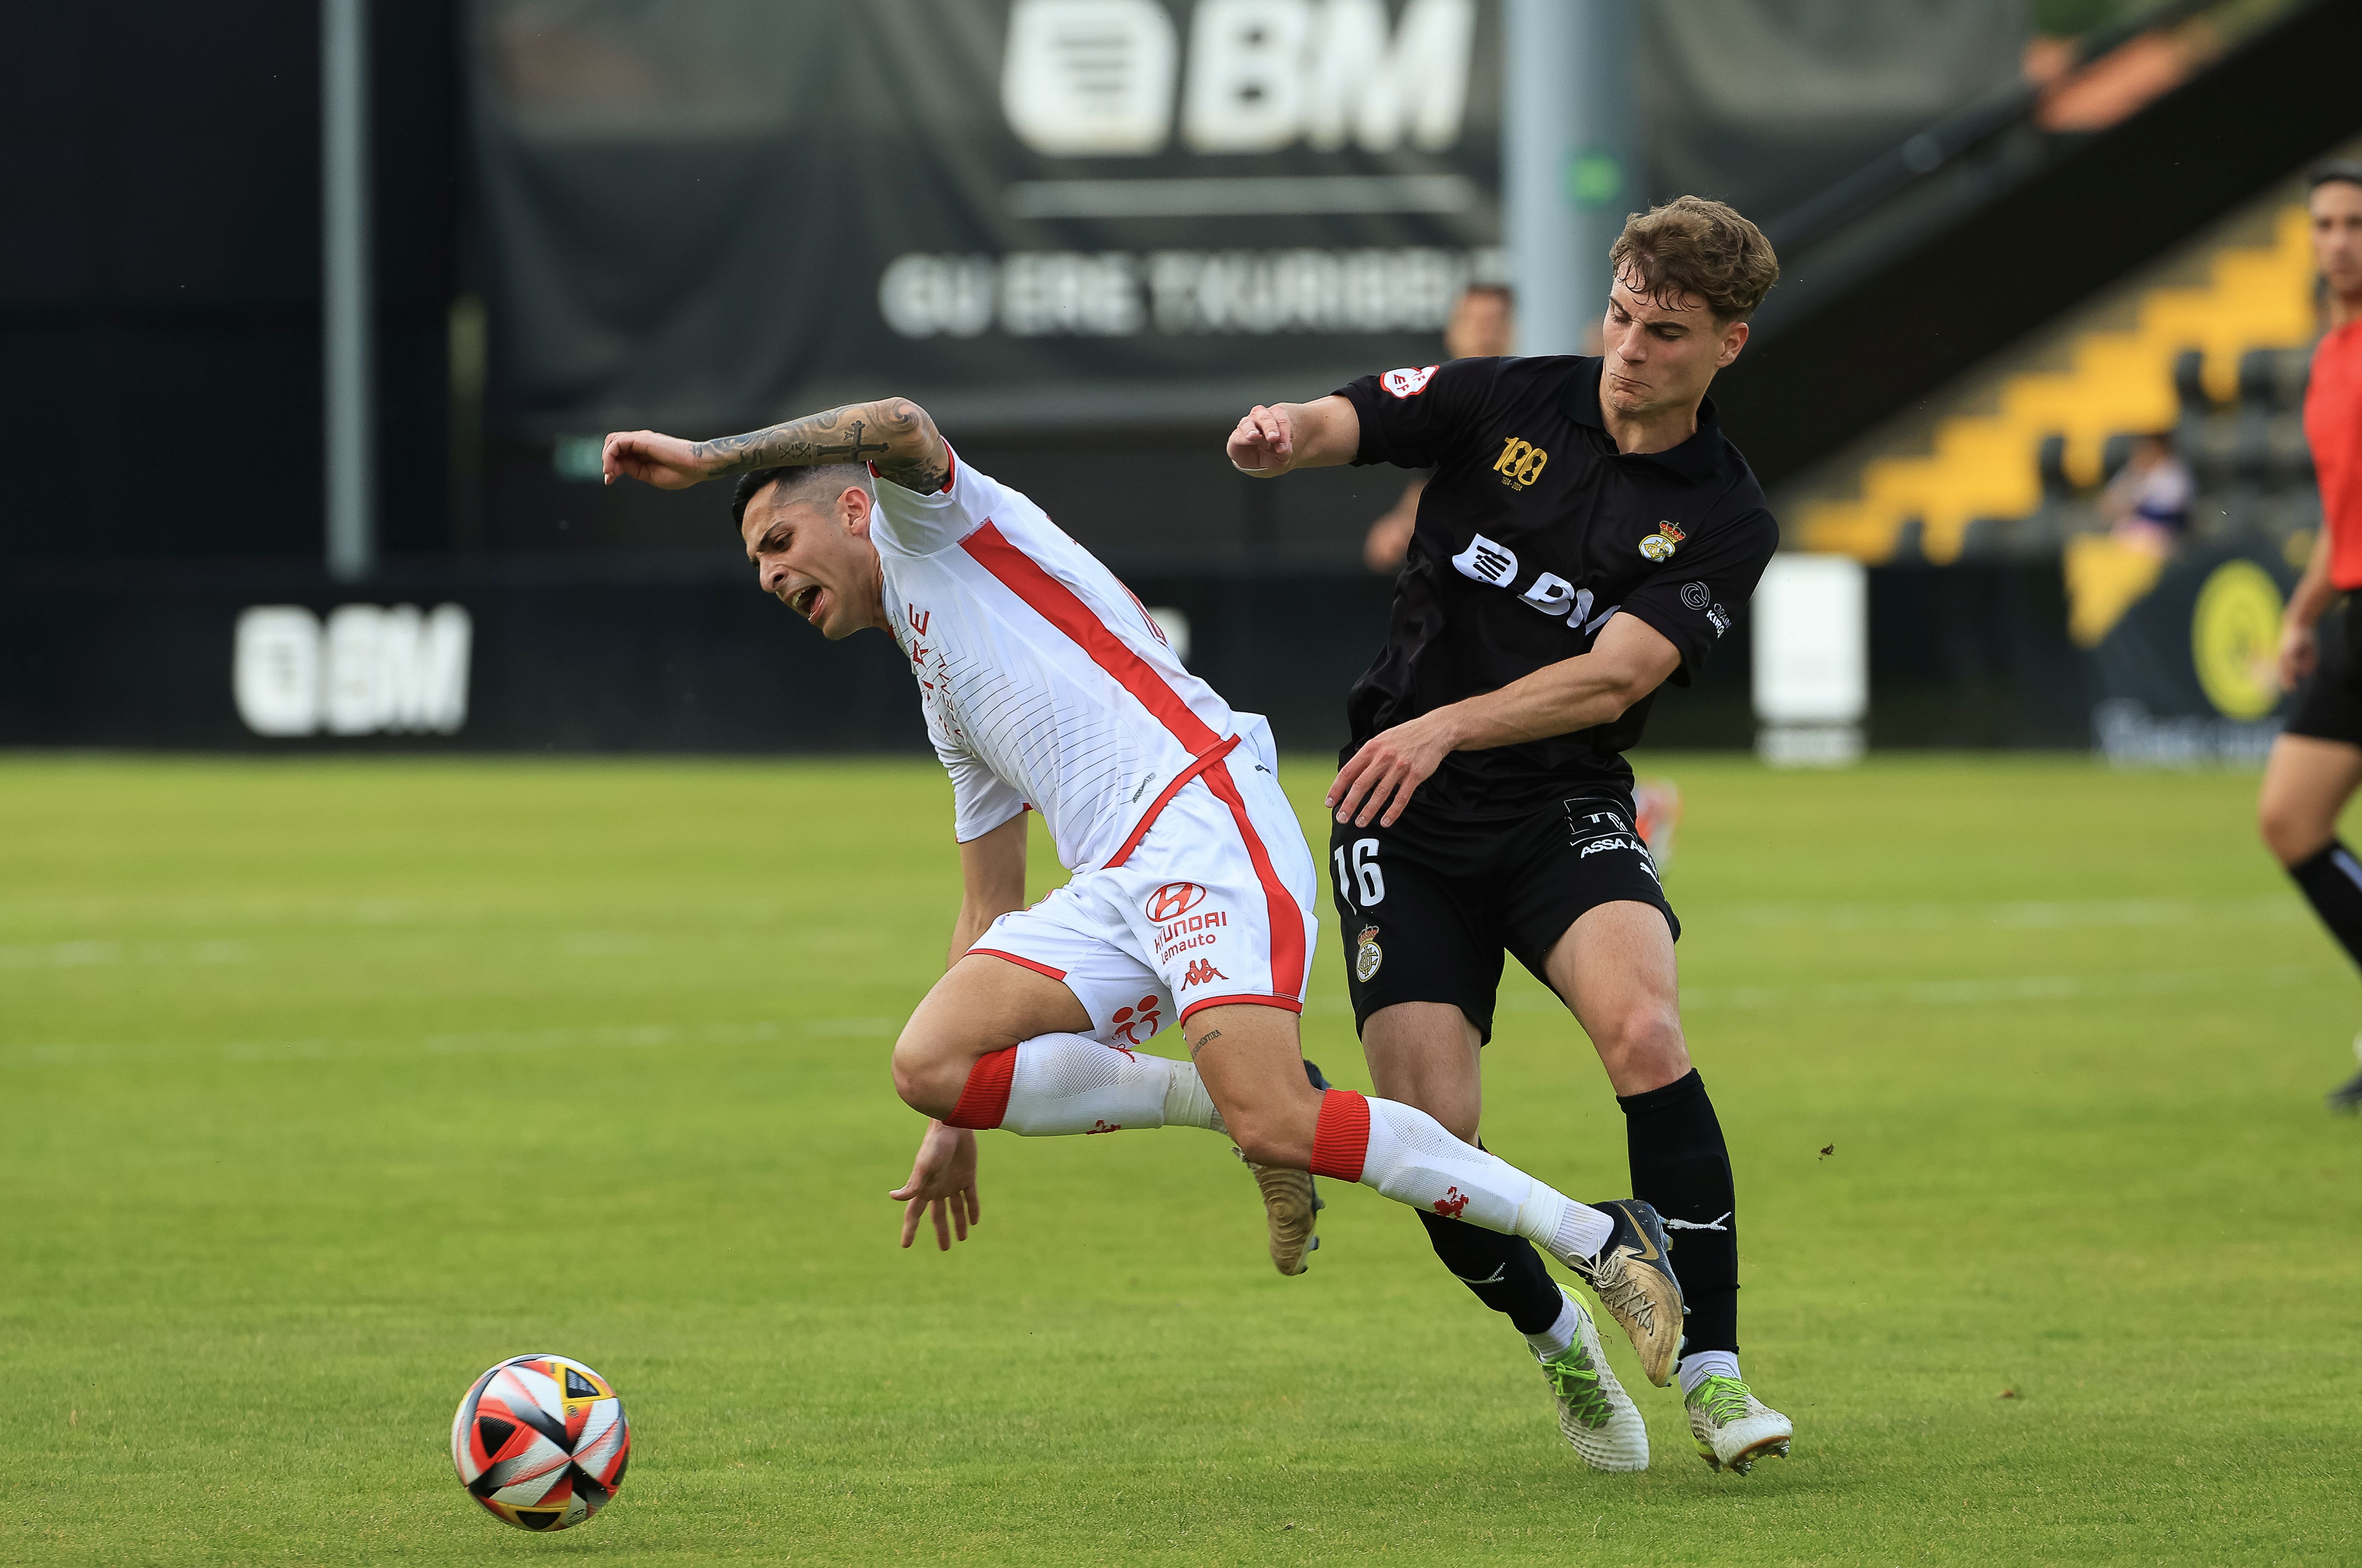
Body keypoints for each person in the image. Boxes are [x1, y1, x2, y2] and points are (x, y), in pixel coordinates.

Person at [598, 398, 1690, 1448]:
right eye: (754, 561)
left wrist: (708, 456)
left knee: (1278, 1118)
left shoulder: (931, 523)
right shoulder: (937, 681)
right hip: (1118, 884)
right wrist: (955, 1124)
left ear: (854, 509)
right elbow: (989, 906)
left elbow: (900, 422)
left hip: (1201, 817)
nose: (769, 573)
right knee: (931, 1063)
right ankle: (1238, 1108)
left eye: (777, 540)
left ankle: (1600, 1237)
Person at [1223, 196, 1793, 1476]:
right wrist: (1285, 435)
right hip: (1400, 814)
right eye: (1621, 316)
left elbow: (1615, 675)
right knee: (1430, 1137)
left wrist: (1446, 726)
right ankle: (1557, 1336)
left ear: (1728, 345)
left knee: (1645, 1032)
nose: (1629, 349)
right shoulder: (1507, 397)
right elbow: (1353, 416)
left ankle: (1714, 1373)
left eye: (1665, 332)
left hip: (1558, 802)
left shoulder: (1725, 513)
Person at [2258, 159, 2362, 1114]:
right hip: (2355, 610)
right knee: (2289, 819)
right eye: (2322, 224)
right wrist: (2302, 614)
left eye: (2355, 222)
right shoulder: (2330, 354)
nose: (2337, 240)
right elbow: (2351, 510)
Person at [1363, 284, 1515, 574]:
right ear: (1452, 333)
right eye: (1474, 322)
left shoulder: (1534, 401)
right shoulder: (1442, 408)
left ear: (1513, 331)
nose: (1484, 334)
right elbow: (1427, 484)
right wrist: (1399, 524)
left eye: (1494, 322)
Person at [2096, 431, 2193, 557]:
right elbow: (2105, 506)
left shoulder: (2174, 474)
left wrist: (2134, 509)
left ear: (2160, 448)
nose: (2142, 451)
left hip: (2164, 540)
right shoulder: (2131, 472)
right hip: (2126, 540)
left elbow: (2173, 515)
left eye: (2148, 447)